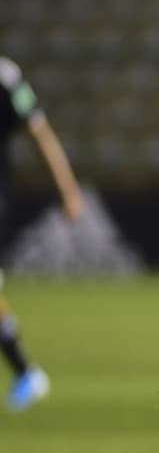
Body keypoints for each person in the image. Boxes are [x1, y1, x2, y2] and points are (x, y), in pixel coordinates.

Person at [0, 55, 82, 410]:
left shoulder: (5, 78)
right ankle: (24, 371)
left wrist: (67, 188)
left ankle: (25, 372)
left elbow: (39, 132)